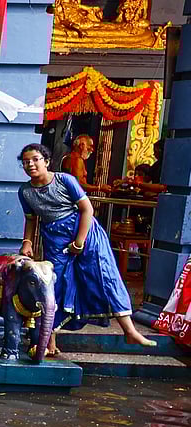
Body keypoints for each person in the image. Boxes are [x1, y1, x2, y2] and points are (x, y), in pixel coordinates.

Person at [18, 144, 157, 352]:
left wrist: (80, 242)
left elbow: (87, 209)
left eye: (36, 159)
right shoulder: (25, 191)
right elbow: (31, 220)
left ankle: (129, 331)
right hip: (55, 238)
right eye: (26, 161)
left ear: (46, 162)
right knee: (53, 285)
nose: (31, 164)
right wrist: (27, 242)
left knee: (104, 275)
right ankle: (49, 340)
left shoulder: (65, 180)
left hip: (84, 230)